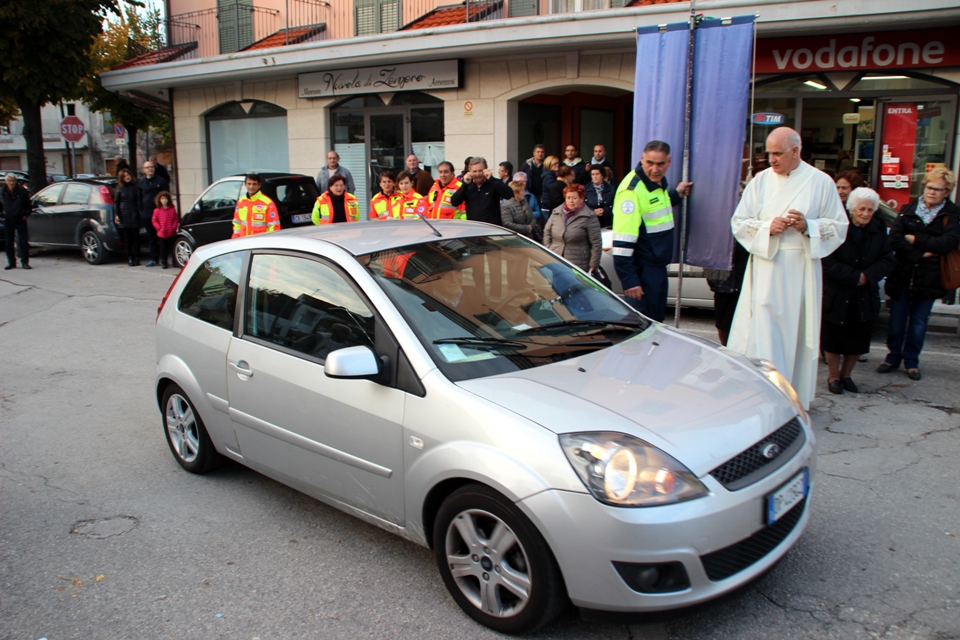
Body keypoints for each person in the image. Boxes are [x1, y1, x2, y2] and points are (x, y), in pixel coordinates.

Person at [727, 127, 848, 409]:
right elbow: (739, 222)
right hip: (766, 268)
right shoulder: (760, 181)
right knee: (763, 331)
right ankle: (762, 397)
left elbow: (839, 226)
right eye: (769, 153)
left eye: (778, 153)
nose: (771, 159)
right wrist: (768, 227)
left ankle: (791, 399)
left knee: (795, 334)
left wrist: (808, 227)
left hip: (800, 270)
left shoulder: (821, 182)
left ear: (795, 151)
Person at [878, 167, 960, 381]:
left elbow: (948, 243)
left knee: (919, 322)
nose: (932, 192)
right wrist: (921, 253)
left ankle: (911, 361)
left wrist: (915, 239)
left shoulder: (952, 214)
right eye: (929, 187)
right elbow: (895, 238)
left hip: (930, 278)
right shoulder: (908, 209)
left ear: (946, 192)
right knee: (897, 320)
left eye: (938, 189)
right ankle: (892, 357)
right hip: (903, 273)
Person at [821, 187, 895, 394]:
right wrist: (854, 276)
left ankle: (846, 375)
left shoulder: (878, 229)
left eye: (870, 210)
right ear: (852, 208)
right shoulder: (838, 226)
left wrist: (867, 276)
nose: (866, 213)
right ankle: (833, 376)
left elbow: (887, 259)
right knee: (834, 338)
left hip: (864, 294)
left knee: (858, 338)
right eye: (862, 209)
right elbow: (827, 259)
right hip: (838, 292)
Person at [611, 140, 693, 322]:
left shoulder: (655, 182)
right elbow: (622, 242)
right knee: (643, 327)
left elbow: (653, 210)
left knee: (656, 323)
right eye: (650, 163)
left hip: (656, 268)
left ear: (669, 162)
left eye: (660, 164)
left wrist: (676, 195)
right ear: (642, 159)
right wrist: (630, 280)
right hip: (642, 271)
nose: (655, 169)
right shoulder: (631, 192)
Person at [543, 183, 602, 275]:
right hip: (556, 260)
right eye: (568, 197)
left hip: (578, 263)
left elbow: (596, 242)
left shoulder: (589, 216)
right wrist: (549, 249)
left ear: (581, 198)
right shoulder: (556, 212)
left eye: (574, 198)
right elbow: (547, 232)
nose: (571, 201)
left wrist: (594, 264)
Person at [705, 240, 749, 346]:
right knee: (724, 324)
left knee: (744, 325)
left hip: (742, 278)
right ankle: (726, 349)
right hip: (723, 280)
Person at [449, 157, 514, 225]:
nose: (478, 174)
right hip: (475, 227)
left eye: (480, 171)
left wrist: (491, 179)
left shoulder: (493, 183)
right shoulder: (467, 186)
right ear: (470, 172)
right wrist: (465, 184)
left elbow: (509, 194)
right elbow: (454, 202)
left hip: (492, 228)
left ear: (486, 170)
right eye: (474, 171)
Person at [138, 159, 169, 267]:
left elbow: (166, 196)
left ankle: (164, 259)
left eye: (152, 167)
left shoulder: (161, 181)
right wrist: (141, 211)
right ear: (144, 170)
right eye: (147, 167)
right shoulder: (141, 182)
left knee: (162, 237)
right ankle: (154, 258)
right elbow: (139, 197)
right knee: (151, 237)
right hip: (147, 213)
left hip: (160, 214)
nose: (150, 169)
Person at [232, 173, 280, 238]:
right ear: (245, 185)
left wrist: (270, 241)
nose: (251, 187)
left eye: (254, 184)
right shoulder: (241, 202)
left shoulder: (267, 203)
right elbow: (237, 224)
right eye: (249, 184)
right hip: (244, 241)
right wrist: (235, 239)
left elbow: (274, 226)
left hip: (260, 241)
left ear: (259, 185)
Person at [1, 173, 31, 270]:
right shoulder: (2, 191)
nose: (12, 183)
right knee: (9, 242)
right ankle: (11, 263)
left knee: (23, 242)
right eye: (9, 181)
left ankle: (25, 262)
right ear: (6, 182)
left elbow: (28, 204)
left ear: (16, 181)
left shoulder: (22, 191)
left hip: (20, 219)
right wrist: (2, 215)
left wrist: (26, 214)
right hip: (8, 219)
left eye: (13, 181)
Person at [114, 167, 142, 266]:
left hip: (134, 215)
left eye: (128, 175)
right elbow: (116, 203)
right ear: (122, 178)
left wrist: (139, 213)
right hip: (124, 216)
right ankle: (130, 258)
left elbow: (139, 201)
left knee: (136, 238)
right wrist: (117, 214)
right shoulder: (119, 188)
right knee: (127, 239)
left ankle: (137, 257)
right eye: (124, 176)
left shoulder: (136, 186)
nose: (127, 177)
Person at [151, 190, 180, 269]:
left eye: (166, 198)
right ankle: (164, 262)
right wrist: (159, 228)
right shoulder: (157, 210)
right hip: (162, 233)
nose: (164, 200)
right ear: (159, 200)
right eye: (162, 199)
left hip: (171, 232)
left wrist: (173, 227)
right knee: (163, 249)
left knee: (172, 247)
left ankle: (174, 261)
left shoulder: (172, 209)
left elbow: (175, 219)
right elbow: (154, 220)